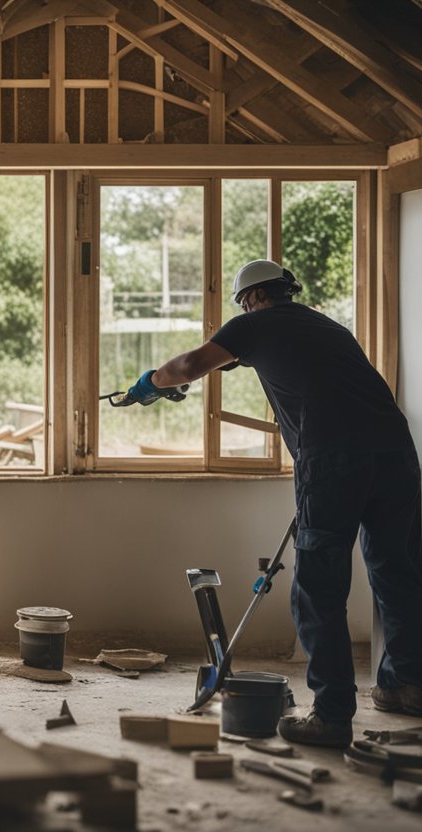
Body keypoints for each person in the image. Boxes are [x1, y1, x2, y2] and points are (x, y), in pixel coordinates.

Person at [122, 259, 422, 748]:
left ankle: (330, 714)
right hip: (396, 455)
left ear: (249, 300)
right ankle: (406, 684)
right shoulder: (325, 326)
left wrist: (153, 382)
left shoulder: (254, 324)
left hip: (333, 460)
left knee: (318, 588)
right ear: (286, 291)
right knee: (398, 571)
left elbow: (191, 365)